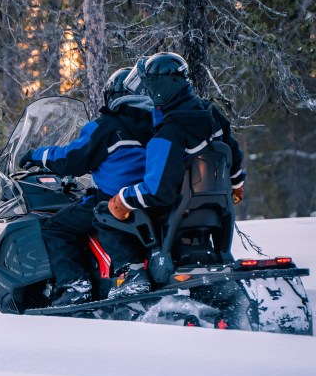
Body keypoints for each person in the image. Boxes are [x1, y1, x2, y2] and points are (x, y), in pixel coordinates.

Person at [98, 52, 246, 299]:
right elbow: (233, 154)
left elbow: (156, 191)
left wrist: (122, 199)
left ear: (159, 88)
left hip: (173, 212)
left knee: (103, 212)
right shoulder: (211, 114)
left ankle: (132, 274)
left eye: (146, 87)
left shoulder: (167, 135)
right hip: (212, 212)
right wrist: (236, 185)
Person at [18, 68, 154, 306]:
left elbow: (73, 158)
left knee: (56, 227)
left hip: (113, 200)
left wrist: (37, 155)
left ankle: (75, 285)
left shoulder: (107, 127)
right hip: (152, 197)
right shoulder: (157, 123)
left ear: (113, 95)